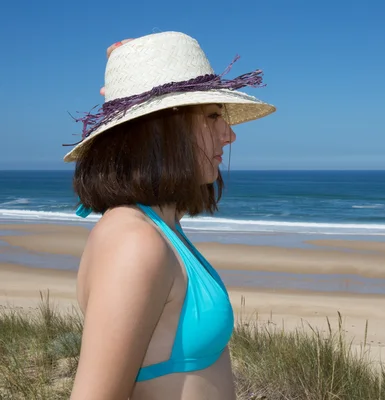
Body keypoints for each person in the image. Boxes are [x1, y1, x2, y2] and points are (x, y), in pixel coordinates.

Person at [65, 31, 276, 400]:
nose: (229, 135)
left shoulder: (160, 227)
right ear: (164, 130)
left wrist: (133, 72)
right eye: (212, 116)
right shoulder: (134, 242)